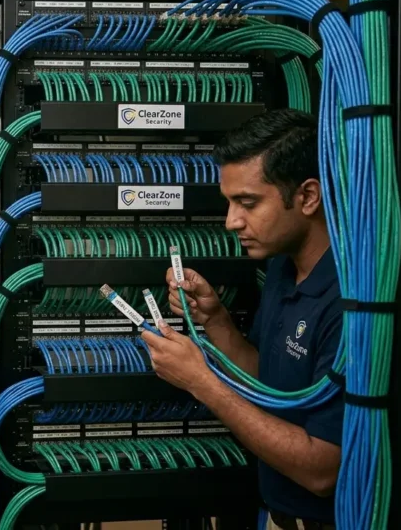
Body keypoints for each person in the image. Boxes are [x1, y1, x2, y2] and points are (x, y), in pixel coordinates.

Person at [141, 109, 344, 530]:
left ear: (308, 197)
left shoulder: (349, 303)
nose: (231, 221)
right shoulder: (282, 269)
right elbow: (269, 386)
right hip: (277, 514)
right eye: (229, 202)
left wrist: (202, 381)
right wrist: (216, 322)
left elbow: (323, 470)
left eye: (248, 203)